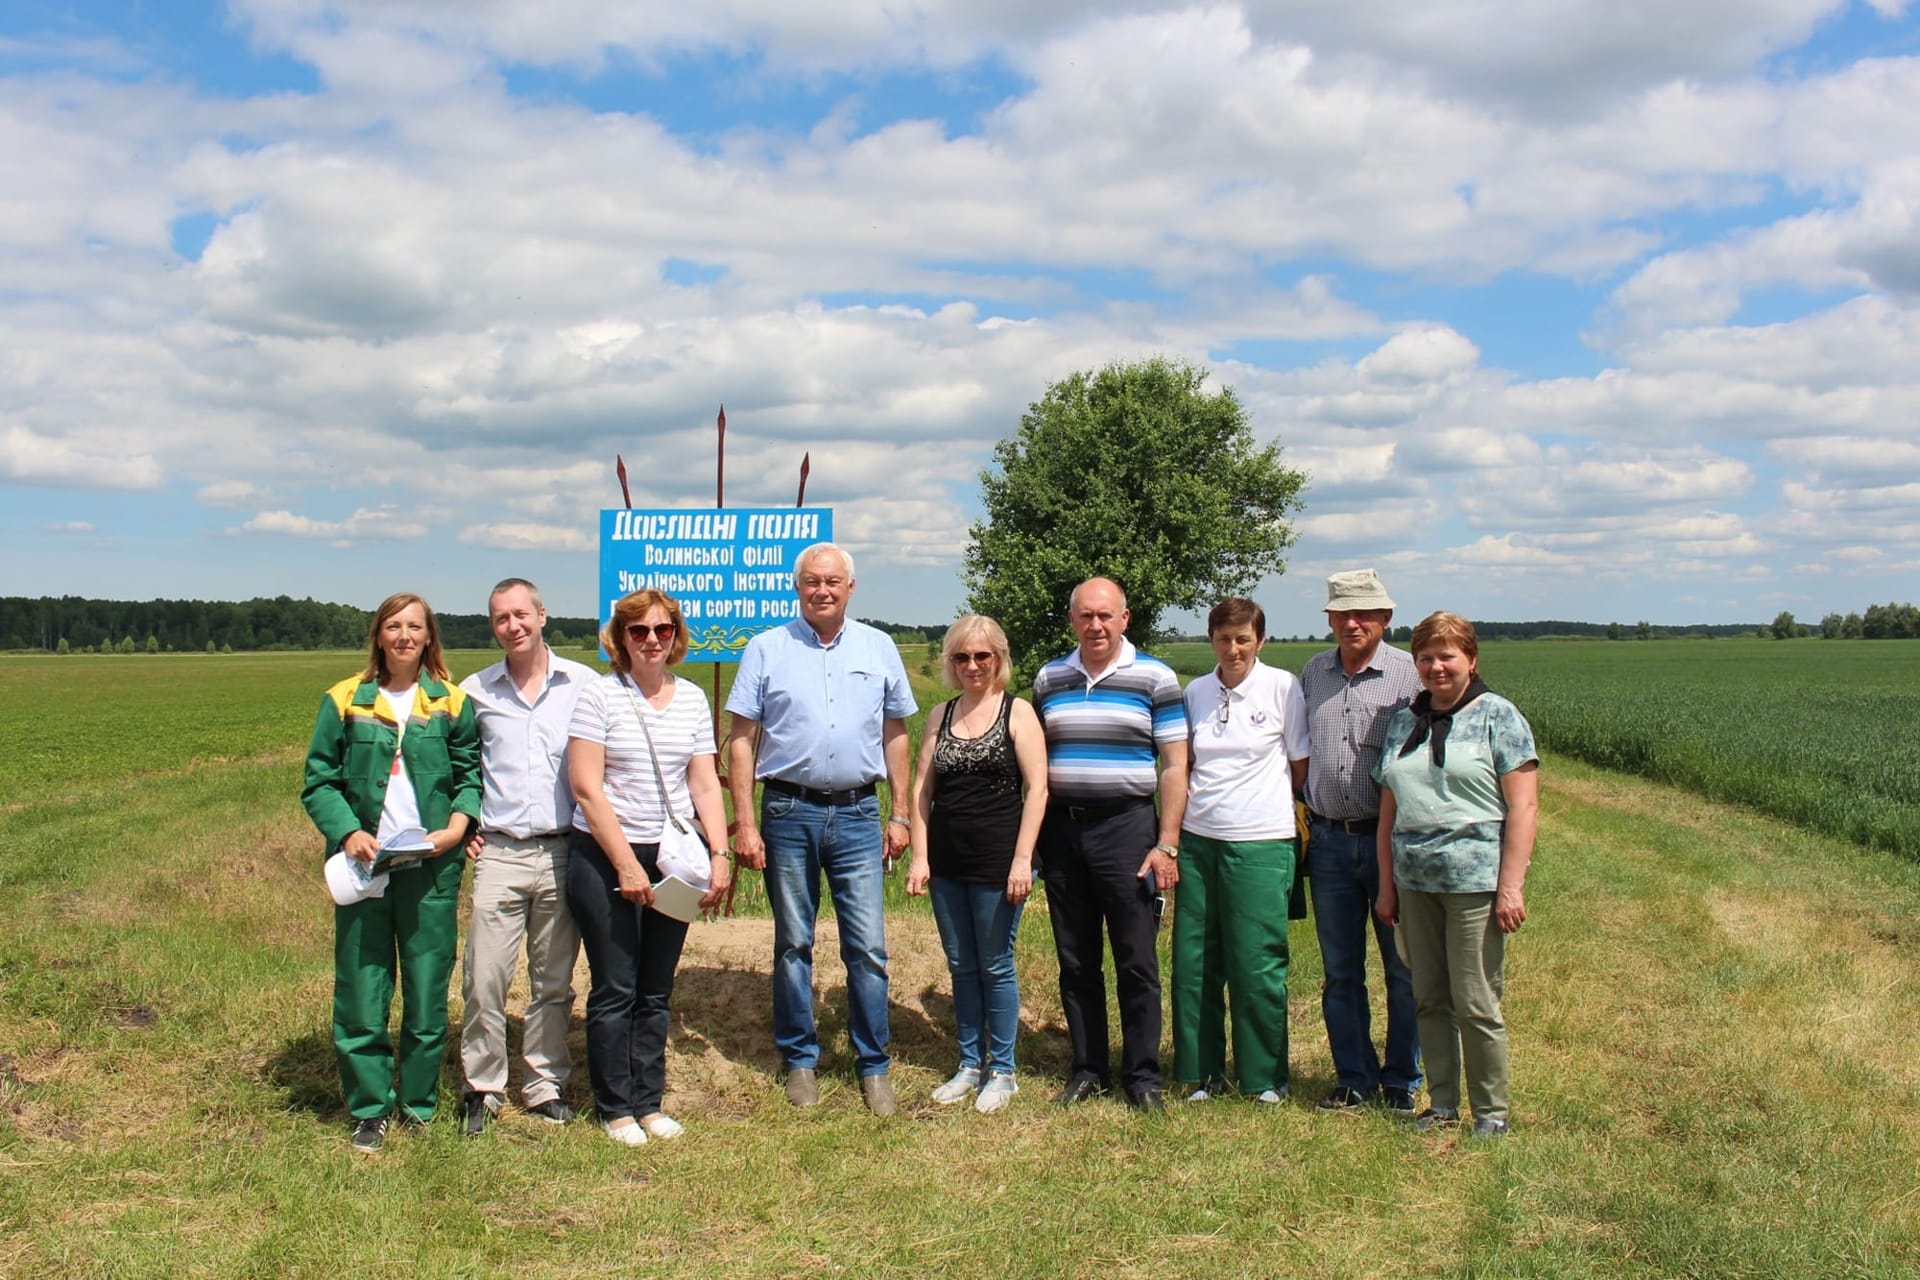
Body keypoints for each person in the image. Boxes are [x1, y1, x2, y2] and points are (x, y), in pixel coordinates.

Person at [726, 543, 917, 1115]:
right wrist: (743, 822)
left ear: (851, 588)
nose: (823, 590)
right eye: (812, 581)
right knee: (793, 942)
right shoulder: (766, 649)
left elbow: (896, 735)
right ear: (798, 587)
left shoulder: (878, 647)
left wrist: (901, 811)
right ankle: (800, 1059)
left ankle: (873, 1064)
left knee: (868, 946)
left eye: (833, 581)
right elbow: (741, 740)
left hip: (859, 813)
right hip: (788, 811)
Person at [301, 592, 481, 1153]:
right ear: (379, 634)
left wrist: (456, 828)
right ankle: (370, 1108)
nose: (404, 635)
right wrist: (349, 831)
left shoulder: (451, 702)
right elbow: (319, 780)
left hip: (430, 869)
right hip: (365, 866)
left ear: (430, 638)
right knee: (362, 985)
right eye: (394, 626)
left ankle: (419, 1104)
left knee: (427, 992)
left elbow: (470, 774)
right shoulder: (343, 700)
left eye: (415, 627)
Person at [566, 589, 732, 1145]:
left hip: (674, 857)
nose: (652, 640)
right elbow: (587, 787)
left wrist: (719, 853)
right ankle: (614, 1108)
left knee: (657, 987)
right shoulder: (599, 696)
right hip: (606, 855)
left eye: (662, 630)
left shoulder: (689, 699)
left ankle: (649, 1101)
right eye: (639, 632)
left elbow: (704, 781)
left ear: (675, 635)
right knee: (616, 985)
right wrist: (624, 866)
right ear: (621, 639)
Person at [1373, 612, 1538, 1139]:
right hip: (1415, 883)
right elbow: (1388, 812)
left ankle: (1490, 1112)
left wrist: (1510, 885)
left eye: (1447, 656)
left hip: (1474, 885)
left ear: (1471, 659)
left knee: (1476, 1000)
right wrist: (1387, 885)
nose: (1436, 667)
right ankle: (1442, 1104)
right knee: (1429, 996)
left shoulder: (1499, 717)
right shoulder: (1404, 722)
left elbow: (1525, 807)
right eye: (1425, 657)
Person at [1032, 577, 1189, 1112]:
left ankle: (1143, 1076)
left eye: (1106, 616)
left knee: (1136, 960)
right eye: (1085, 616)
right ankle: (1088, 1068)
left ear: (1125, 619)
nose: (1095, 625)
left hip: (1128, 830)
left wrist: (1166, 842)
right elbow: (1036, 765)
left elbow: (1174, 766)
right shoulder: (1050, 677)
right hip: (1064, 831)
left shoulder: (1155, 678)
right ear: (1072, 620)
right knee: (1076, 960)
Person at [456, 577, 596, 1136]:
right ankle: (483, 1087)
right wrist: (463, 821)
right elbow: (457, 766)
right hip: (500, 852)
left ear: (542, 615)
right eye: (499, 618)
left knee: (553, 980)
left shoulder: (583, 685)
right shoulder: (475, 691)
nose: (511, 626)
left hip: (565, 850)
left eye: (520, 614)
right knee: (484, 978)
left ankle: (544, 1084)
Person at [905, 615, 1049, 1114]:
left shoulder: (1018, 712)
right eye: (961, 657)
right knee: (962, 966)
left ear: (999, 659)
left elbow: (1038, 790)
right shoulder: (940, 715)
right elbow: (922, 790)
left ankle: (1003, 1071)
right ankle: (969, 1064)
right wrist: (920, 857)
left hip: (998, 863)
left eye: (982, 656)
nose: (972, 666)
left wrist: (1023, 859)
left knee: (994, 964)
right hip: (947, 863)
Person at [1173, 597, 1309, 1105]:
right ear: (1211, 640)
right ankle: (1200, 1072)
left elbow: (1299, 766)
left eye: (1243, 639)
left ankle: (1264, 1077)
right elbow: (1185, 764)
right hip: (1199, 838)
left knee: (1256, 963)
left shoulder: (1281, 687)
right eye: (1224, 639)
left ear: (1260, 641)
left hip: (1261, 840)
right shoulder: (1196, 691)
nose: (1233, 649)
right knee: (1195, 960)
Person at [1298, 567, 1423, 1114]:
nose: (1352, 623)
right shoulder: (1313, 673)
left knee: (1402, 967)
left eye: (1364, 614)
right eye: (1342, 613)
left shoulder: (1408, 677)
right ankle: (1353, 1077)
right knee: (1341, 971)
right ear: (1329, 619)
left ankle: (1401, 1080)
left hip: (1389, 841)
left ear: (1385, 619)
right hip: (1328, 842)